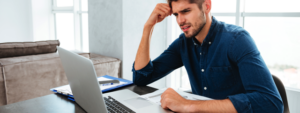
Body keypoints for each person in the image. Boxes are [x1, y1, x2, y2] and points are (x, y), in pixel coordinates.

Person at [132, 0, 283, 112]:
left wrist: (187, 105)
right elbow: (141, 77)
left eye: (186, 11)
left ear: (207, 6)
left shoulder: (237, 40)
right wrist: (148, 28)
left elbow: (271, 103)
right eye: (176, 14)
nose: (180, 21)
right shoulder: (183, 44)